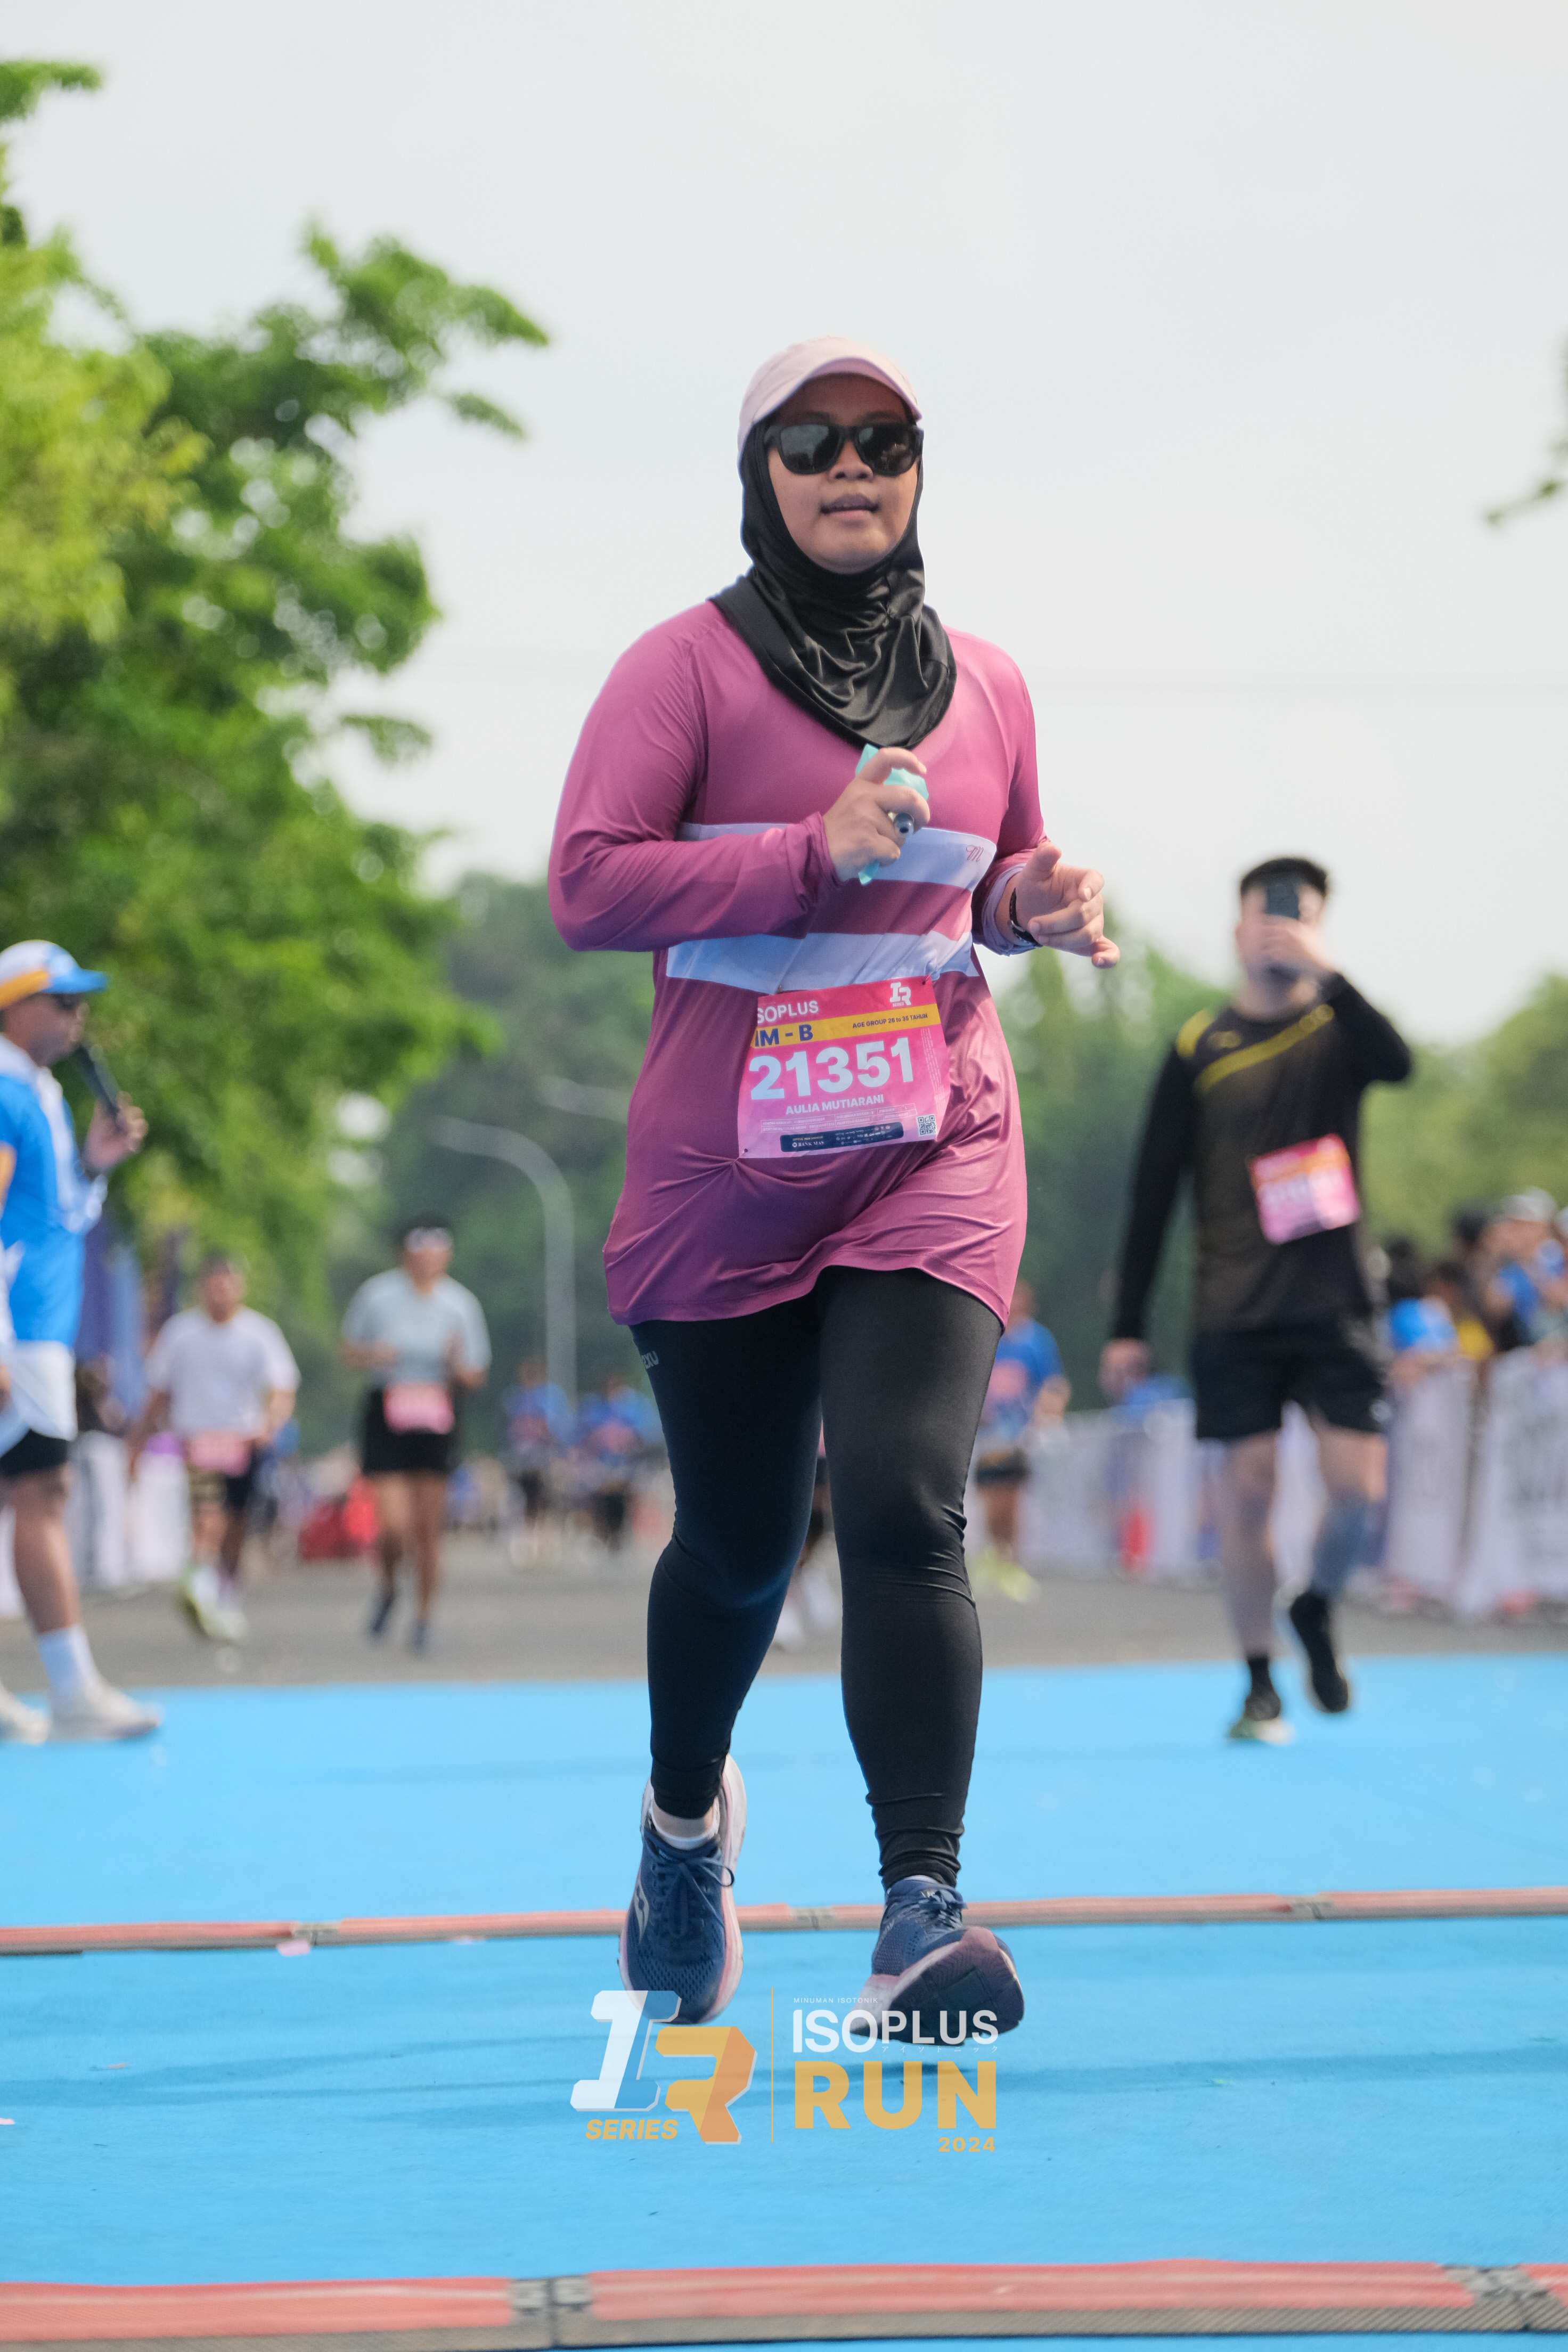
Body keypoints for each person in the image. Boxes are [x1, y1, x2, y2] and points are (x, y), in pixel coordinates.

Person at [549, 335, 1119, 2034]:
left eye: (886, 438)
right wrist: (806, 855)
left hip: (933, 1145)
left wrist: (1033, 902)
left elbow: (987, 880)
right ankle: (681, 1827)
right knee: (738, 1546)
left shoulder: (989, 683)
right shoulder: (683, 670)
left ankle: (918, 1917)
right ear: (761, 476)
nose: (853, 465)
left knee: (900, 1503)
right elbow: (587, 884)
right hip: (730, 1169)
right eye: (813, 441)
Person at [1101, 859, 1412, 1745]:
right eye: (1266, 915)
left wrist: (1328, 974)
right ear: (1237, 930)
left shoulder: (1337, 1026)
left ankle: (1314, 1604)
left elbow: (1397, 1063)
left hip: (1334, 1302)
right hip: (1232, 1308)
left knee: (1356, 1492)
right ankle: (1258, 1679)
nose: (1278, 929)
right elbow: (1153, 1188)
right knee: (1246, 1494)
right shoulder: (1198, 1044)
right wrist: (1127, 1325)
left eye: (1298, 916)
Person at [0, 940, 158, 1741]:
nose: (77, 1015)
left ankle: (67, 1688)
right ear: (16, 1005)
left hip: (36, 1332)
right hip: (18, 1331)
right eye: (62, 1001)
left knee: (27, 1494)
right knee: (41, 1493)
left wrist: (95, 1166)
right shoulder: (4, 1091)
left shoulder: (40, 1093)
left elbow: (52, 1215)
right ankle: (73, 1689)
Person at [126, 1253, 299, 1643]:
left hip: (243, 1441)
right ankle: (199, 1585)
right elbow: (159, 1392)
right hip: (198, 1441)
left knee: (235, 1523)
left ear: (240, 1288)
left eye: (227, 1285)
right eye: (213, 1286)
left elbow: (282, 1386)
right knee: (207, 1516)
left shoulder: (260, 1333)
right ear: (202, 1289)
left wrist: (271, 1421)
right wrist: (138, 1437)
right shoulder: (180, 1334)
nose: (220, 1293)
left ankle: (227, 1593)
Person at [341, 1216, 490, 1652]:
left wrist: (455, 1367)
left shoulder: (461, 1305)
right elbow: (348, 1350)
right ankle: (389, 1586)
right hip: (388, 1410)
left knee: (427, 1529)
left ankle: (424, 1618)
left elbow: (476, 1373)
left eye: (436, 1253)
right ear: (403, 1255)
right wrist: (375, 1354)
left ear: (447, 1256)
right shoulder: (377, 1295)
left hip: (437, 1412)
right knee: (394, 1526)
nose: (427, 1262)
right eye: (418, 1253)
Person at [971, 1279, 1071, 1572]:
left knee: (1011, 1497)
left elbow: (1055, 1384)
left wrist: (1047, 1415)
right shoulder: (988, 1335)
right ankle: (996, 1556)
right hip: (988, 1433)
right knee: (990, 1495)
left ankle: (1011, 1560)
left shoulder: (1036, 1341)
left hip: (1020, 1435)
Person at [500, 1353, 573, 1563]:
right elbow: (508, 1430)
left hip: (545, 1460)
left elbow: (560, 1431)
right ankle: (529, 1543)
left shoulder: (550, 1397)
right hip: (523, 1461)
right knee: (526, 1501)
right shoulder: (515, 1398)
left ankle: (545, 1543)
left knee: (546, 1502)